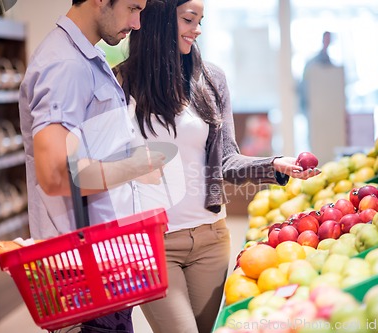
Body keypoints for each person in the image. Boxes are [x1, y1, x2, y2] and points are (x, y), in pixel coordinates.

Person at [114, 1, 321, 332]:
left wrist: (276, 164)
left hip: (211, 237)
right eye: (188, 19)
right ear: (159, 19)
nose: (197, 29)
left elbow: (227, 160)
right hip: (150, 244)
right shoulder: (119, 83)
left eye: (200, 20)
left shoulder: (210, 79)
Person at [18, 0, 165, 332]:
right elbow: (55, 175)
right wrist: (136, 166)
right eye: (132, 8)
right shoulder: (65, 65)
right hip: (80, 273)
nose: (138, 23)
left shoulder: (87, 56)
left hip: (105, 263)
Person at [300, 31, 334, 115]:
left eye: (329, 39)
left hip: (327, 103)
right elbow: (305, 82)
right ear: (322, 40)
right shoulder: (312, 63)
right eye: (326, 39)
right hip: (314, 103)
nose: (327, 41)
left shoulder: (330, 63)